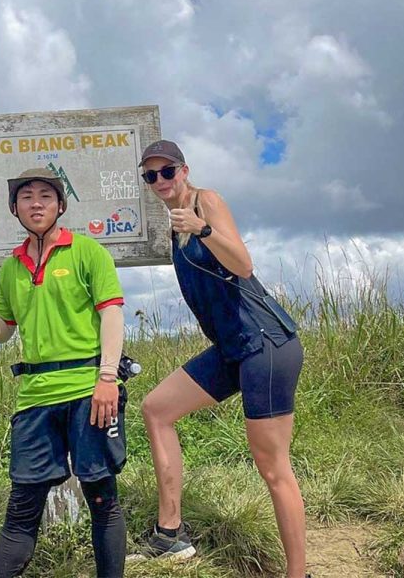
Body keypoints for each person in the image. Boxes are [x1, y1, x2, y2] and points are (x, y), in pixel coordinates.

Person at [136, 140, 307, 577]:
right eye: (150, 176)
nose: (160, 182)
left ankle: (297, 573)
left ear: (184, 171)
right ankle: (170, 534)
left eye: (166, 171)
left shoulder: (205, 202)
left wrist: (203, 228)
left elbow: (244, 265)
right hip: (232, 348)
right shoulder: (172, 225)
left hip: (266, 343)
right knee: (156, 409)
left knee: (272, 466)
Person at [0, 168, 128, 577]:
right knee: (22, 507)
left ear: (60, 205)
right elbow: (3, 332)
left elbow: (111, 313)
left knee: (101, 499)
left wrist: (107, 378)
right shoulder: (10, 267)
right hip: (35, 397)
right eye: (26, 197)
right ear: (14, 208)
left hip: (89, 391)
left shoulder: (88, 252)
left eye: (45, 195)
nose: (35, 203)